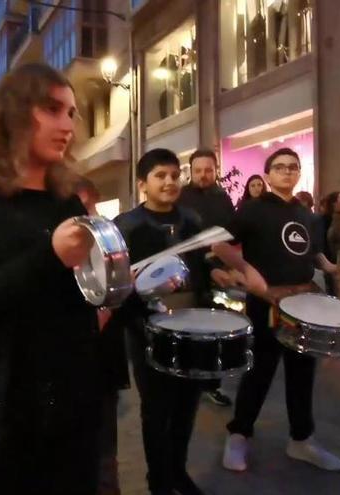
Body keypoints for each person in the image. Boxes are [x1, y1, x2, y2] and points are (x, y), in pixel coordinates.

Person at [0, 63, 103, 495]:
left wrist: (111, 293)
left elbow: (76, 298)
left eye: (70, 112)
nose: (67, 124)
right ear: (13, 113)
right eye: (52, 109)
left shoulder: (65, 202)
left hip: (68, 407)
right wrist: (49, 257)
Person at [212, 147, 340, 473]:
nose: (287, 171)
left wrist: (330, 266)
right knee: (260, 371)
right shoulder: (252, 210)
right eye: (280, 167)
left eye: (293, 167)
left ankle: (301, 440)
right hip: (267, 302)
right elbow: (220, 245)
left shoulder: (308, 216)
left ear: (299, 173)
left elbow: (311, 252)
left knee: (302, 371)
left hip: (304, 303)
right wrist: (244, 270)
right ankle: (239, 435)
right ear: (268, 175)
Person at [109, 148, 219, 495]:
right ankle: (158, 480)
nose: (170, 182)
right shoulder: (126, 226)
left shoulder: (191, 221)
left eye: (174, 175)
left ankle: (177, 473)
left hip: (192, 327)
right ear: (143, 184)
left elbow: (202, 269)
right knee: (156, 411)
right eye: (160, 176)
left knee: (187, 406)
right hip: (147, 333)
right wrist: (138, 323)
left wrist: (220, 275)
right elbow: (117, 288)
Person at [75, 176, 126, 495]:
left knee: (106, 454)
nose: (86, 213)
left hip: (103, 364)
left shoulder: (106, 241)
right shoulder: (57, 249)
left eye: (89, 204)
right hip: (69, 366)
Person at [176, 149, 235, 407]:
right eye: (198, 170)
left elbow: (231, 233)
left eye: (208, 170)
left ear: (216, 170)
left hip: (220, 275)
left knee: (215, 332)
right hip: (190, 274)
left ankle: (212, 384)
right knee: (188, 330)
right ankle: (186, 383)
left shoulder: (223, 199)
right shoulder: (180, 198)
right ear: (191, 171)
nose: (203, 175)